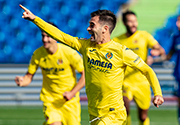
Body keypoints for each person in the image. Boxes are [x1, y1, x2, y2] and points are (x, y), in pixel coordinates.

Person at [19, 4, 164, 125]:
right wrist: (35, 19)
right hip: (94, 112)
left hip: (113, 114)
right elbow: (60, 35)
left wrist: (157, 93)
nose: (88, 28)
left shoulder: (120, 51)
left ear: (105, 29)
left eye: (92, 25)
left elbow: (147, 70)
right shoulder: (85, 46)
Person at [15, 22, 85, 125]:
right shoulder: (38, 54)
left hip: (69, 101)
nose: (44, 40)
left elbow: (85, 75)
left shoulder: (69, 53)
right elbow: (28, 77)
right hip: (50, 100)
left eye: (48, 36)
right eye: (43, 36)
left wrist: (72, 93)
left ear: (56, 37)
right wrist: (22, 81)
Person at [113, 11, 166, 125]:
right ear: (124, 23)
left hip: (142, 82)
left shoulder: (144, 36)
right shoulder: (117, 41)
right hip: (125, 82)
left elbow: (160, 50)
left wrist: (154, 54)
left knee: (143, 117)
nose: (133, 24)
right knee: (124, 110)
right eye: (130, 21)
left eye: (135, 21)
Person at [164, 15, 180, 124]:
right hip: (178, 74)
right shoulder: (176, 37)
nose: (177, 24)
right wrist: (153, 57)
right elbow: (168, 56)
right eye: (178, 21)